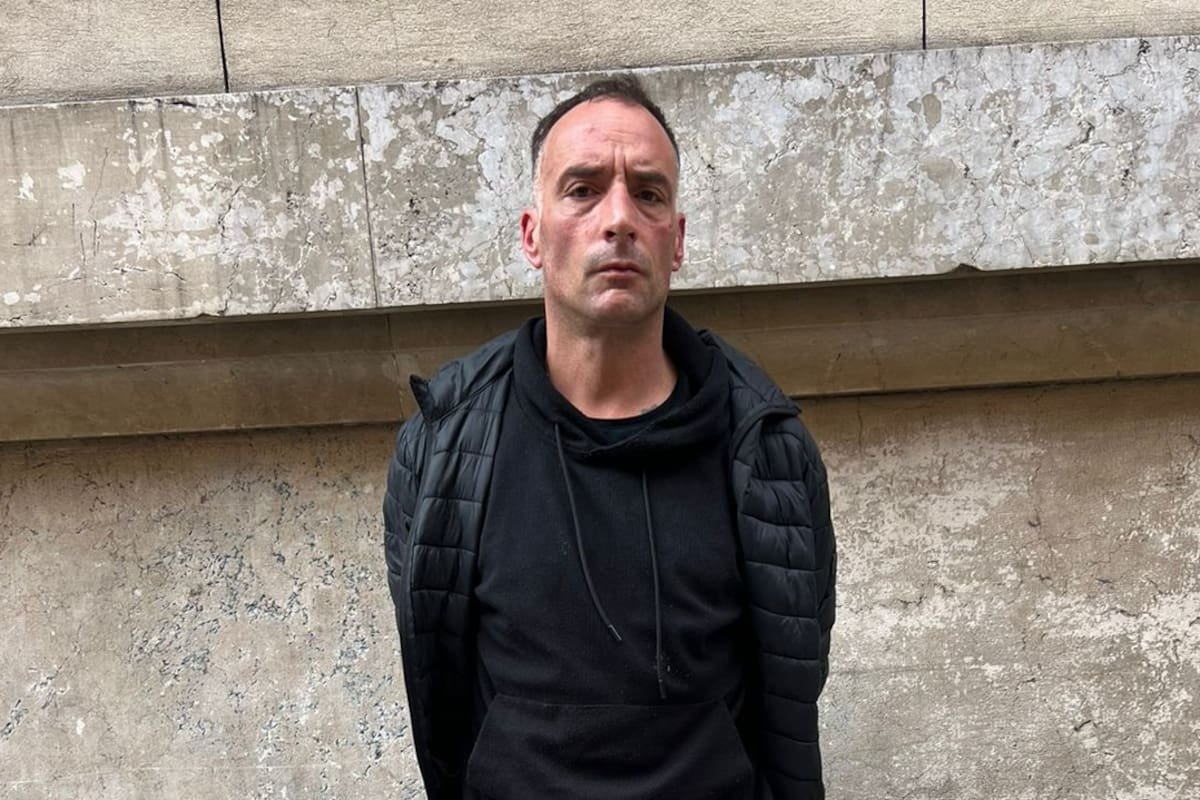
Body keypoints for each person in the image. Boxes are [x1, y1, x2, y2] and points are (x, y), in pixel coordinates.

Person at [383, 76, 836, 800]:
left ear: (676, 240)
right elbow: (442, 688)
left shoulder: (766, 450)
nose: (619, 217)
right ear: (532, 235)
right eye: (583, 189)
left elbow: (789, 680)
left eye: (648, 194)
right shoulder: (444, 448)